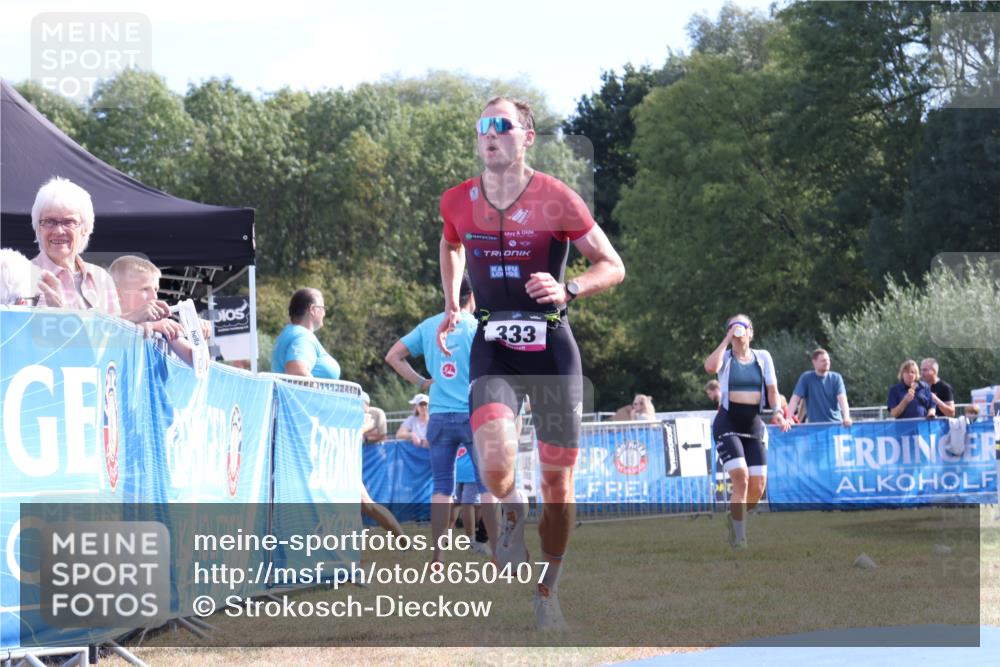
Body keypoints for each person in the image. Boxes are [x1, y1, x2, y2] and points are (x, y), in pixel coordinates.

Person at [435, 96, 625, 630]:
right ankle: (512, 513)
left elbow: (613, 265)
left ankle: (548, 592)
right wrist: (453, 300)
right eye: (482, 126)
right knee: (495, 463)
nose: (489, 134)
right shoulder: (457, 201)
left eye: (501, 126)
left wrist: (569, 288)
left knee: (560, 485)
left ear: (526, 137)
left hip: (550, 346)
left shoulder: (557, 199)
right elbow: (450, 245)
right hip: (493, 343)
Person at [385, 277, 497, 566]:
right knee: (487, 486)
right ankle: (498, 553)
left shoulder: (428, 326)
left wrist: (422, 382)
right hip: (471, 416)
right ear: (472, 296)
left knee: (442, 487)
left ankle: (438, 556)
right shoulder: (477, 326)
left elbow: (393, 356)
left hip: (438, 417)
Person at [704, 314, 791, 549]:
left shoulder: (763, 357)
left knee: (757, 487)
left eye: (743, 326)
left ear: (751, 332)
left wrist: (777, 412)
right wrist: (726, 340)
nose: (739, 330)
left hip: (753, 424)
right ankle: (739, 539)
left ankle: (734, 517)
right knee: (741, 477)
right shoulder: (726, 357)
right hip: (727, 424)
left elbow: (773, 390)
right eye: (733, 326)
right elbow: (710, 367)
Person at [29, 177, 120, 314]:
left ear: (85, 229)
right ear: (38, 228)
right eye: (49, 221)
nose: (59, 231)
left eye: (69, 222)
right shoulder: (21, 277)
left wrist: (141, 327)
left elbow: (114, 333)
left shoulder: (101, 278)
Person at [109, 255, 202, 366]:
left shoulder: (162, 326)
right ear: (117, 294)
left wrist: (197, 333)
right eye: (145, 289)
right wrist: (140, 325)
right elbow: (100, 328)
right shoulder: (102, 324)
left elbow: (198, 363)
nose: (154, 296)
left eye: (156, 289)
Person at [270, 288, 340, 379]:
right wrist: (319, 391)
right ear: (312, 309)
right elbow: (296, 372)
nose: (324, 313)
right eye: (323, 308)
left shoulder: (288, 333)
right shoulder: (303, 336)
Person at [787, 348, 853, 426]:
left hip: (835, 425)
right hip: (815, 427)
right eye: (823, 360)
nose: (827, 362)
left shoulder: (836, 378)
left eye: (828, 360)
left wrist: (846, 417)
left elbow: (842, 399)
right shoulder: (806, 378)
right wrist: (788, 418)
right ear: (814, 362)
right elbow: (795, 399)